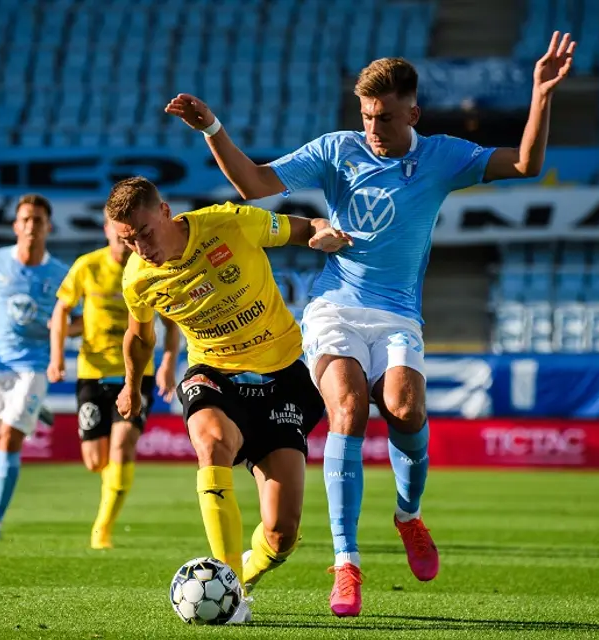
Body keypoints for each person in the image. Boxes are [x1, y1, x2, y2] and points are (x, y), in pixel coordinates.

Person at [164, 31, 576, 616]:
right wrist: (213, 130)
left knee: (406, 409)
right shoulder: (338, 149)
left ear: (413, 111)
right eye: (365, 115)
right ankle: (346, 565)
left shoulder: (441, 157)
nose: (373, 129)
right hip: (334, 307)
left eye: (383, 117)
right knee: (349, 409)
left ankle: (408, 515)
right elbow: (254, 185)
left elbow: (526, 163)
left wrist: (540, 94)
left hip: (397, 313)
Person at [106, 176, 352, 622]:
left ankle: (240, 578)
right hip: (213, 373)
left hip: (283, 375)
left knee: (282, 533)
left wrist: (322, 230)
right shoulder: (137, 279)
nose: (140, 248)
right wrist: (131, 385)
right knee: (212, 442)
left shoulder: (229, 222)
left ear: (165, 213)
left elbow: (300, 228)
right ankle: (232, 595)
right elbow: (138, 336)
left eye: (144, 233)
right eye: (128, 240)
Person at [47, 215, 181, 549]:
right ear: (108, 231)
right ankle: (111, 491)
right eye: (115, 230)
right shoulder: (87, 266)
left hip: (136, 373)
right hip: (92, 371)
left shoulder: (149, 266)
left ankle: (102, 528)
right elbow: (62, 311)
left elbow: (172, 319)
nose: (123, 239)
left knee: (123, 445)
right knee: (96, 460)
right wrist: (57, 356)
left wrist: (167, 362)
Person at [0, 194, 79, 542]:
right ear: (15, 226)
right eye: (25, 219)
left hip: (33, 366)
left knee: (9, 440)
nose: (31, 225)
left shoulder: (61, 275)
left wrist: (59, 327)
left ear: (48, 226)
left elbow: (80, 322)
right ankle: (37, 411)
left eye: (38, 220)